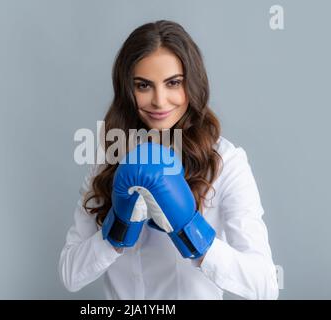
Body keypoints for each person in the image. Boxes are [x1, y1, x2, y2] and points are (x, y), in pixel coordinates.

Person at [59, 20, 279, 300]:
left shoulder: (225, 163)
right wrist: (117, 231)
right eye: (143, 85)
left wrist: (191, 231)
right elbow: (70, 274)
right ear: (128, 89)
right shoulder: (110, 161)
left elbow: (265, 286)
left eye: (173, 83)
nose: (159, 101)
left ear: (193, 83)